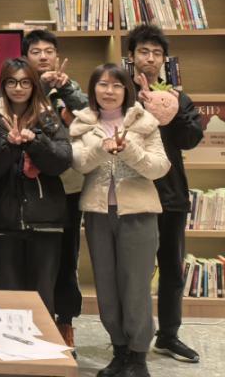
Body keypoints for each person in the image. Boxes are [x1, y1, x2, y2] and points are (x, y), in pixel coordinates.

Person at [71, 64, 170, 377]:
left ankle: (138, 357)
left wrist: (129, 151)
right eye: (102, 84)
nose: (109, 91)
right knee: (106, 287)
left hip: (138, 214)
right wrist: (103, 149)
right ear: (93, 89)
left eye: (116, 85)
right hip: (98, 214)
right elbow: (79, 163)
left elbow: (160, 167)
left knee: (135, 286)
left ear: (127, 90)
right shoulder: (82, 123)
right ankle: (119, 351)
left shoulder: (144, 122)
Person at [126, 24, 204, 364]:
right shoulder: (119, 93)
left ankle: (169, 335)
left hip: (171, 196)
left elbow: (191, 139)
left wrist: (167, 111)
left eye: (157, 53)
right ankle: (131, 336)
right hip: (131, 194)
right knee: (135, 271)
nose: (150, 58)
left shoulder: (176, 96)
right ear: (131, 56)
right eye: (143, 51)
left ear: (164, 60)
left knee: (171, 269)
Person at [0, 57, 71, 314]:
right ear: (3, 85)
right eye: (11, 82)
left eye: (24, 83)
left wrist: (35, 143)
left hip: (45, 220)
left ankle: (45, 340)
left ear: (33, 85)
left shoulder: (48, 116)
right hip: (3, 220)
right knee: (9, 298)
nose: (18, 88)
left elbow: (62, 161)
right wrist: (8, 144)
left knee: (43, 296)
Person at [25, 29, 89, 348]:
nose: (43, 56)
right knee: (32, 259)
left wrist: (65, 88)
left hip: (67, 188)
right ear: (26, 57)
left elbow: (91, 114)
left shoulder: (69, 89)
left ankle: (65, 321)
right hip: (30, 189)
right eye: (35, 51)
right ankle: (32, 321)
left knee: (66, 257)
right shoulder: (19, 86)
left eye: (48, 50)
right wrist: (37, 87)